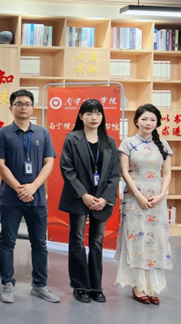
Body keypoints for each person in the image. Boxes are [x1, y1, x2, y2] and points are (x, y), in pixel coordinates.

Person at [0, 89, 60, 304]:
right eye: (19, 103)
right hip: (10, 199)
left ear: (33, 108)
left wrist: (33, 187)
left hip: (37, 198)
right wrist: (19, 188)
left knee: (39, 243)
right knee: (7, 242)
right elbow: (0, 164)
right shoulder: (3, 134)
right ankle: (8, 284)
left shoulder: (43, 133)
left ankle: (40, 285)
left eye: (27, 103)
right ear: (11, 108)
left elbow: (49, 162)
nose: (23, 107)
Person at [59, 99, 120, 303]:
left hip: (102, 199)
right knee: (77, 240)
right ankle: (80, 286)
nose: (94, 118)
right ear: (81, 116)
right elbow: (67, 169)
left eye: (98, 114)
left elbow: (115, 173)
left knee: (96, 242)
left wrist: (105, 198)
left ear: (102, 117)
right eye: (89, 113)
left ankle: (96, 286)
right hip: (79, 198)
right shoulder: (72, 138)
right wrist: (83, 194)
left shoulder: (109, 141)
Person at [115, 104, 173, 305]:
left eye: (152, 120)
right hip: (134, 196)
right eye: (144, 119)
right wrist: (138, 195)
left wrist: (162, 194)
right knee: (137, 238)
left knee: (155, 240)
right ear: (136, 121)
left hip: (157, 196)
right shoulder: (128, 143)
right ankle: (138, 285)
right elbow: (124, 172)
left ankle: (151, 286)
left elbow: (167, 173)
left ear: (157, 123)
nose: (148, 123)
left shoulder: (163, 145)